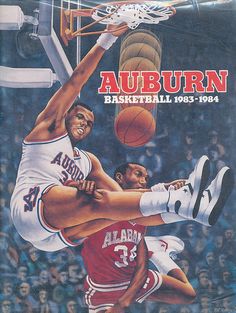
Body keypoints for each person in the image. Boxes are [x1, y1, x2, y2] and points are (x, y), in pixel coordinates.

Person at [10, 22, 233, 252]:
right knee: (97, 201)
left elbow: (122, 199)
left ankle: (197, 210)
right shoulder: (48, 128)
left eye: (89, 123)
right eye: (79, 117)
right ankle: (181, 200)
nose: (85, 123)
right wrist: (107, 38)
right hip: (32, 206)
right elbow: (76, 80)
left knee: (118, 213)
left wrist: (160, 190)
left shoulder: (88, 161)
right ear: (66, 116)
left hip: (56, 233)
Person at [80, 163, 197, 313]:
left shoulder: (142, 211)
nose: (143, 180)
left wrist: (125, 301)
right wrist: (81, 185)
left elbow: (142, 266)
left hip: (131, 276)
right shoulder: (100, 197)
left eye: (146, 178)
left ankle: (158, 253)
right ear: (119, 177)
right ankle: (158, 249)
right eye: (138, 174)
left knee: (188, 295)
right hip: (103, 287)